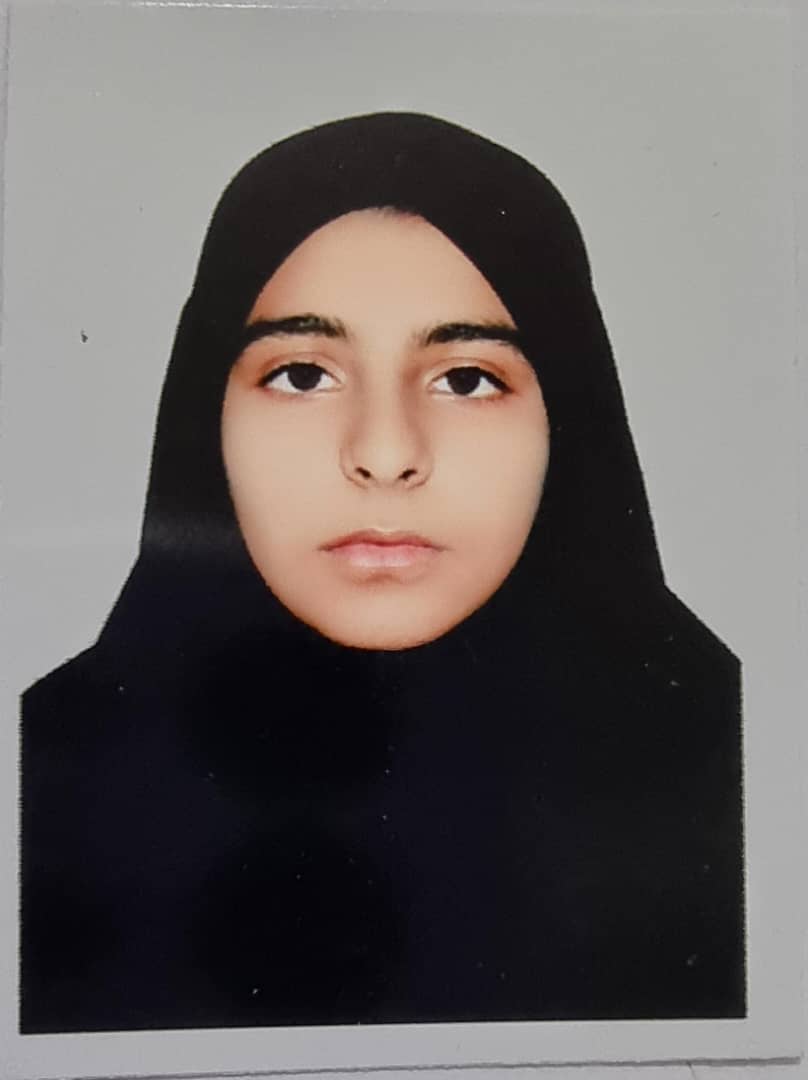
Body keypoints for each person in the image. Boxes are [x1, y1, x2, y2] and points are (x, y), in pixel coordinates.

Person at [20, 112, 745, 1034]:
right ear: (206, 416)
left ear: (570, 417)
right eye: (302, 375)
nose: (386, 453)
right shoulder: (42, 777)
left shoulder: (744, 767)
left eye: (467, 379)